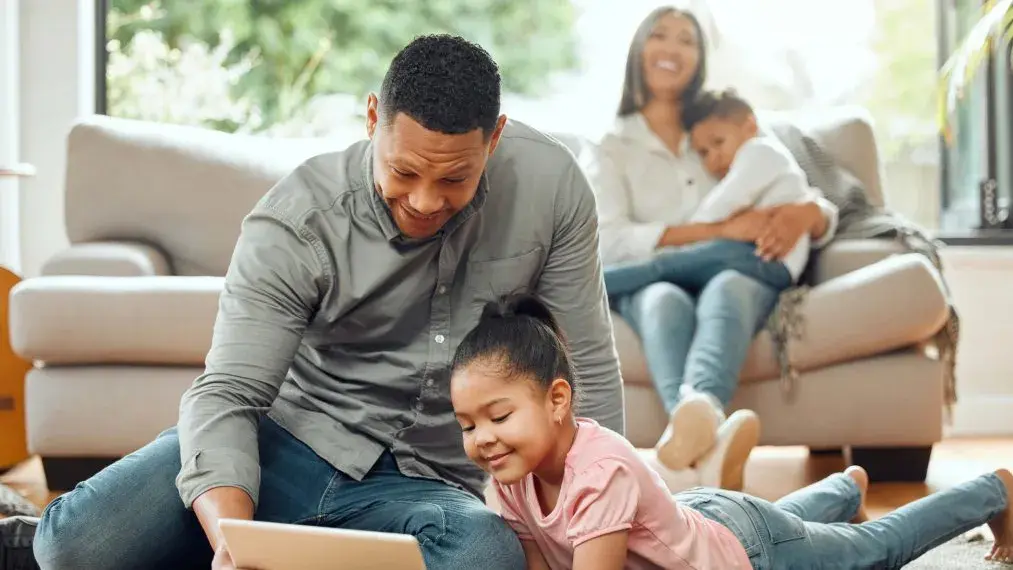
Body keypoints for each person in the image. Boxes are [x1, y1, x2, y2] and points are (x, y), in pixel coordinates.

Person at [0, 34, 629, 570]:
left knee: (484, 554)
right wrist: (234, 542)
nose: (427, 200)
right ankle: (31, 533)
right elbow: (227, 396)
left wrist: (602, 516)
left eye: (454, 178)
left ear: (494, 139)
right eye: (405, 172)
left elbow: (587, 372)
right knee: (73, 551)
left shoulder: (552, 189)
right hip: (284, 441)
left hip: (431, 483)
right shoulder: (298, 220)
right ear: (371, 118)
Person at [450, 293, 1013, 569]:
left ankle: (995, 489)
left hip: (748, 551)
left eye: (499, 417)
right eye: (468, 425)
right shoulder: (508, 478)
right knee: (794, 528)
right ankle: (845, 489)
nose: (484, 439)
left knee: (875, 551)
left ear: (557, 400)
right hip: (697, 517)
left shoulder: (599, 472)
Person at [590, 5, 841, 471]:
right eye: (660, 35)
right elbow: (612, 241)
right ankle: (700, 444)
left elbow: (802, 193)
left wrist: (806, 214)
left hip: (737, 270)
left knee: (728, 286)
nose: (672, 48)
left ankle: (698, 420)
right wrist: (718, 231)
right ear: (638, 49)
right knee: (663, 297)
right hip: (656, 283)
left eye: (687, 40)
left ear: (700, 58)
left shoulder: (721, 124)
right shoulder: (610, 146)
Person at [601, 87, 816, 298]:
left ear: (750, 126)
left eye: (718, 142)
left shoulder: (760, 151)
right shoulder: (762, 159)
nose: (713, 158)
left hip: (767, 258)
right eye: (704, 153)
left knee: (661, 266)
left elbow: (723, 203)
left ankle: (584, 288)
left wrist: (696, 235)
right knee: (668, 270)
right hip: (766, 260)